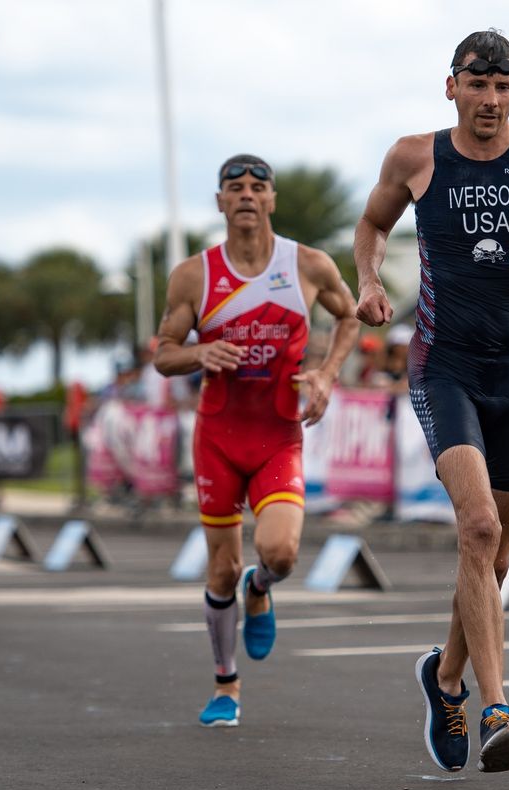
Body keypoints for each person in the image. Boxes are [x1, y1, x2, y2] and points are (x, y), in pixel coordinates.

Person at [351, 30, 509, 774]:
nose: (489, 100)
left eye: (502, 86)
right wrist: (368, 283)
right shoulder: (415, 156)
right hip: (443, 365)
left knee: (498, 548)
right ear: (450, 86)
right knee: (479, 525)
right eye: (475, 84)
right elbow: (370, 227)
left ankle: (445, 675)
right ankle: (496, 708)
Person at [154, 154, 360, 728]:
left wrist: (325, 373)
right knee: (219, 570)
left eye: (257, 187)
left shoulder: (308, 265)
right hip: (217, 438)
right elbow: (163, 353)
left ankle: (261, 586)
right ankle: (226, 686)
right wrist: (198, 352)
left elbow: (349, 318)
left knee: (281, 554)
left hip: (276, 436)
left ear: (272, 200)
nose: (246, 194)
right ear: (220, 202)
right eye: (234, 187)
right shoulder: (194, 275)